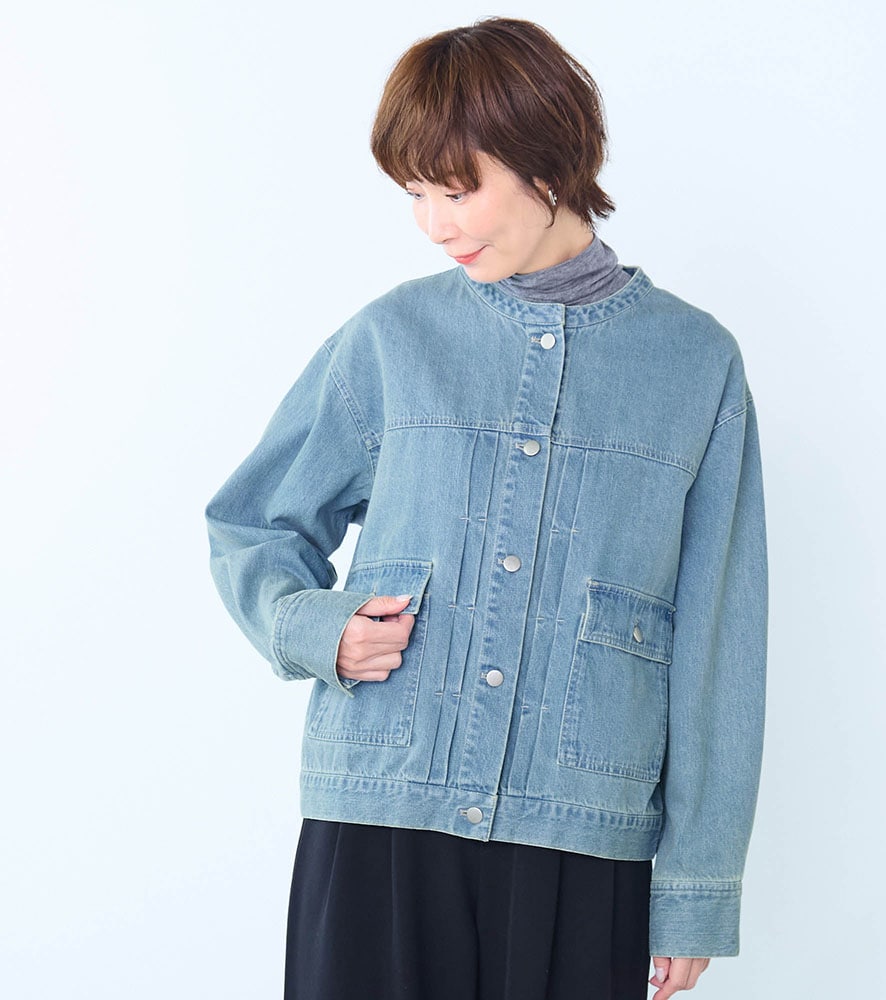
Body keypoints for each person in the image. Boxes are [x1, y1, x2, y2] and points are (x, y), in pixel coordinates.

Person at [204, 16, 768, 1000]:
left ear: (548, 160)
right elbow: (253, 523)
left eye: (456, 189)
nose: (434, 223)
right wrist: (316, 629)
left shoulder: (695, 367)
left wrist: (694, 888)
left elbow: (720, 644)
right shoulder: (393, 338)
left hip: (580, 836)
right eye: (415, 193)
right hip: (382, 816)